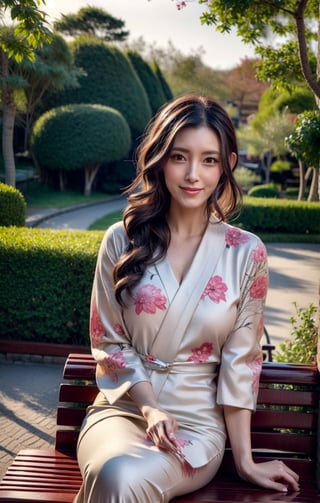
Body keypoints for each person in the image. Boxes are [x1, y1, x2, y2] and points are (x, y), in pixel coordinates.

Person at [74, 94, 299, 502]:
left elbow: (241, 363)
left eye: (209, 160)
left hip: (196, 426)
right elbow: (108, 343)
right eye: (180, 157)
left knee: (125, 478)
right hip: (121, 412)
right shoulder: (120, 240)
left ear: (228, 164)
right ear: (160, 159)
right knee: (115, 470)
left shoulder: (246, 253)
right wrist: (149, 407)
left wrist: (245, 461)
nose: (193, 174)